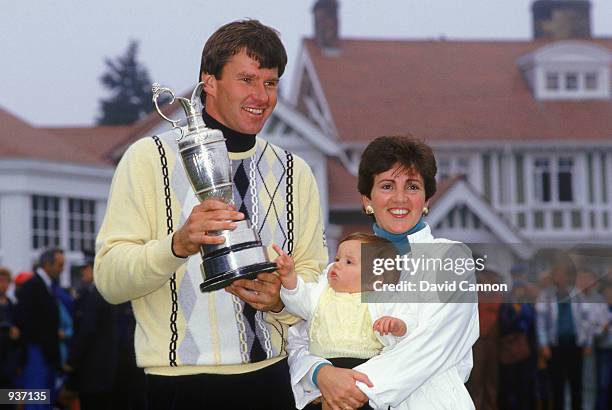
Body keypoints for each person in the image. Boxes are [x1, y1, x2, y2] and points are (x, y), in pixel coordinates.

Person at [94, 19, 328, 409]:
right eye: (247, 80)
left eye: (270, 83)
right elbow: (109, 279)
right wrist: (177, 245)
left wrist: (284, 298)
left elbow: (315, 279)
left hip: (273, 380)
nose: (261, 95)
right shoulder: (148, 158)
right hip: (178, 385)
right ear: (210, 82)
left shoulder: (296, 171)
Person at [288, 135, 479, 410]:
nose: (400, 198)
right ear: (367, 199)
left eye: (412, 186)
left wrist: (349, 387)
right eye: (387, 186)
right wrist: (320, 373)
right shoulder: (342, 268)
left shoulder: (451, 259)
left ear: (426, 199)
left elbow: (430, 348)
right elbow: (299, 339)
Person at [276, 233, 412, 409]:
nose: (337, 265)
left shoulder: (381, 300)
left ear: (375, 281)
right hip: (325, 371)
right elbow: (298, 302)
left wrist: (397, 325)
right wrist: (289, 278)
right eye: (337, 258)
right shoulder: (321, 294)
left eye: (348, 262)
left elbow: (407, 319)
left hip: (364, 372)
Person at [535, 262, 593, 410]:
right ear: (554, 277)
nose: (560, 277)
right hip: (555, 345)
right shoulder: (546, 295)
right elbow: (540, 323)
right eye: (557, 274)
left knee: (577, 384)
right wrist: (543, 344)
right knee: (557, 385)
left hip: (575, 344)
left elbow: (587, 319)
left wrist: (588, 342)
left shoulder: (577, 295)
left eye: (563, 274)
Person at [64, 254, 118, 410]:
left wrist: (72, 361)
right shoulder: (102, 292)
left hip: (94, 370)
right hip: (102, 370)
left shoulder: (96, 294)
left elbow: (87, 331)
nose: (82, 272)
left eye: (85, 268)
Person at [14, 248, 64, 410]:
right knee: (36, 399)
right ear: (47, 265)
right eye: (60, 265)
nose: (62, 269)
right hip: (36, 352)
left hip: (46, 353)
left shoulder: (48, 286)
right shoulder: (32, 286)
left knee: (46, 398)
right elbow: (25, 321)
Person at [0, 267, 20, 392]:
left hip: (9, 360)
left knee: (8, 398)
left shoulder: (12, 305)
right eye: (1, 281)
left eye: (7, 281)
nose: (4, 285)